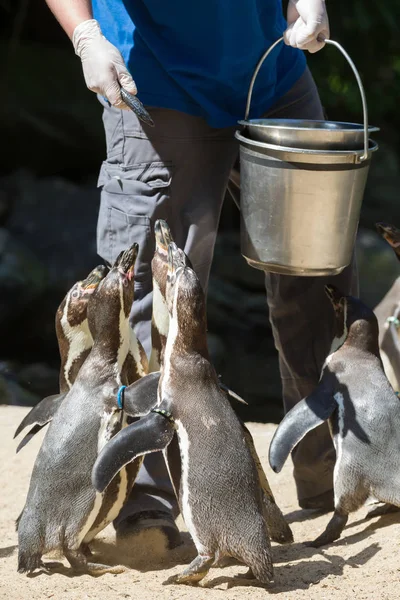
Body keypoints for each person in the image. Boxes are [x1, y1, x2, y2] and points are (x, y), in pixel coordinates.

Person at [44, 0, 357, 548]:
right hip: (157, 86)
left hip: (273, 71)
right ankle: (145, 503)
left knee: (318, 275)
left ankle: (338, 473)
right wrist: (84, 35)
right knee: (145, 295)